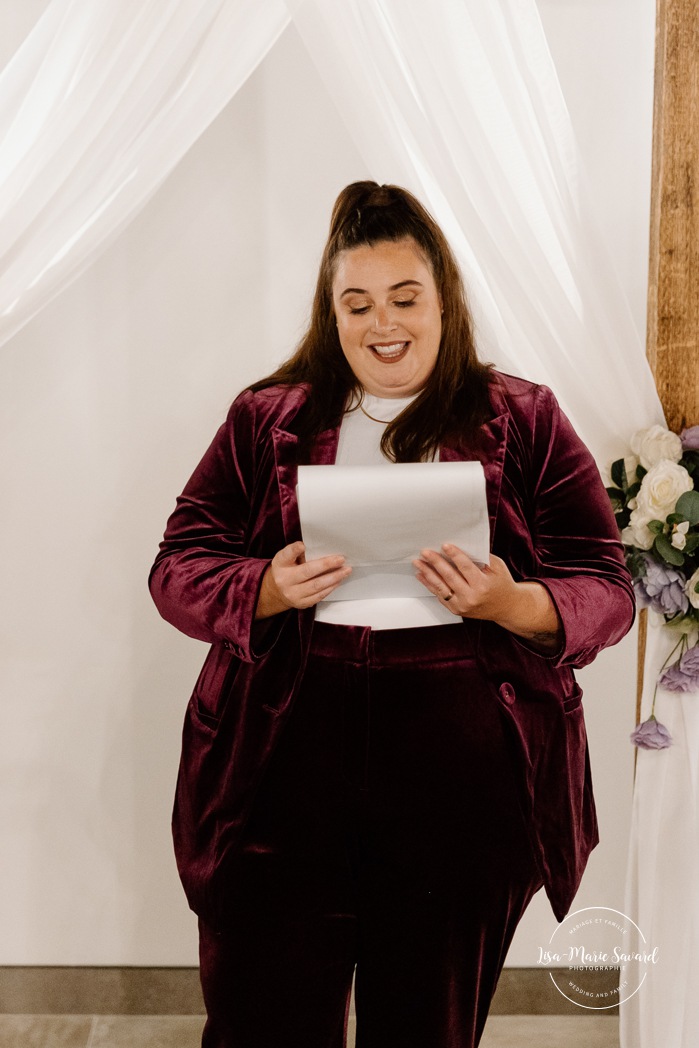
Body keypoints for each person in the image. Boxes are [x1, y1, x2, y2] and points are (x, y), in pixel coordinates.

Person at [149, 181, 635, 1048]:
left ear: (443, 300)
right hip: (282, 762)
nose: (385, 324)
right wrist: (262, 586)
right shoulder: (269, 419)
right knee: (263, 1017)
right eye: (357, 303)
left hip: (463, 781)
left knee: (425, 1027)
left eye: (406, 298)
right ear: (330, 313)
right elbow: (177, 564)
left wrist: (511, 601)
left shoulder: (520, 418)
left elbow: (603, 584)